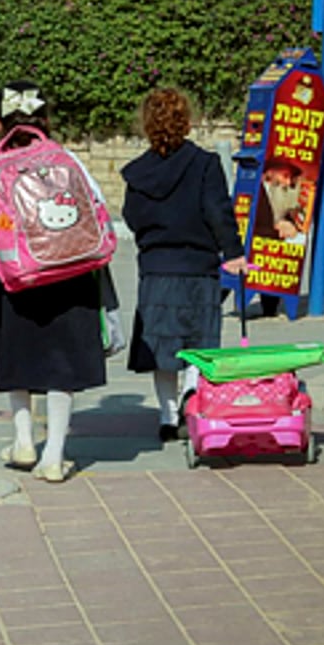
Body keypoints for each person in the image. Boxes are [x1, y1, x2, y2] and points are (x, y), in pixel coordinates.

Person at [0, 80, 111, 482]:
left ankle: (23, 440)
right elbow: (98, 211)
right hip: (71, 277)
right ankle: (55, 455)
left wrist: (18, 243)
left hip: (18, 278)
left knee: (20, 360)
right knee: (63, 367)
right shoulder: (65, 158)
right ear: (45, 119)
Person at [120, 88, 248, 441]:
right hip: (199, 266)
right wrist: (233, 253)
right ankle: (194, 396)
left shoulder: (138, 174)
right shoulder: (205, 164)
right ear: (187, 122)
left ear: (147, 124)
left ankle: (167, 414)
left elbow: (132, 218)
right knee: (198, 342)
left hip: (157, 268)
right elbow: (218, 212)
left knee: (162, 346)